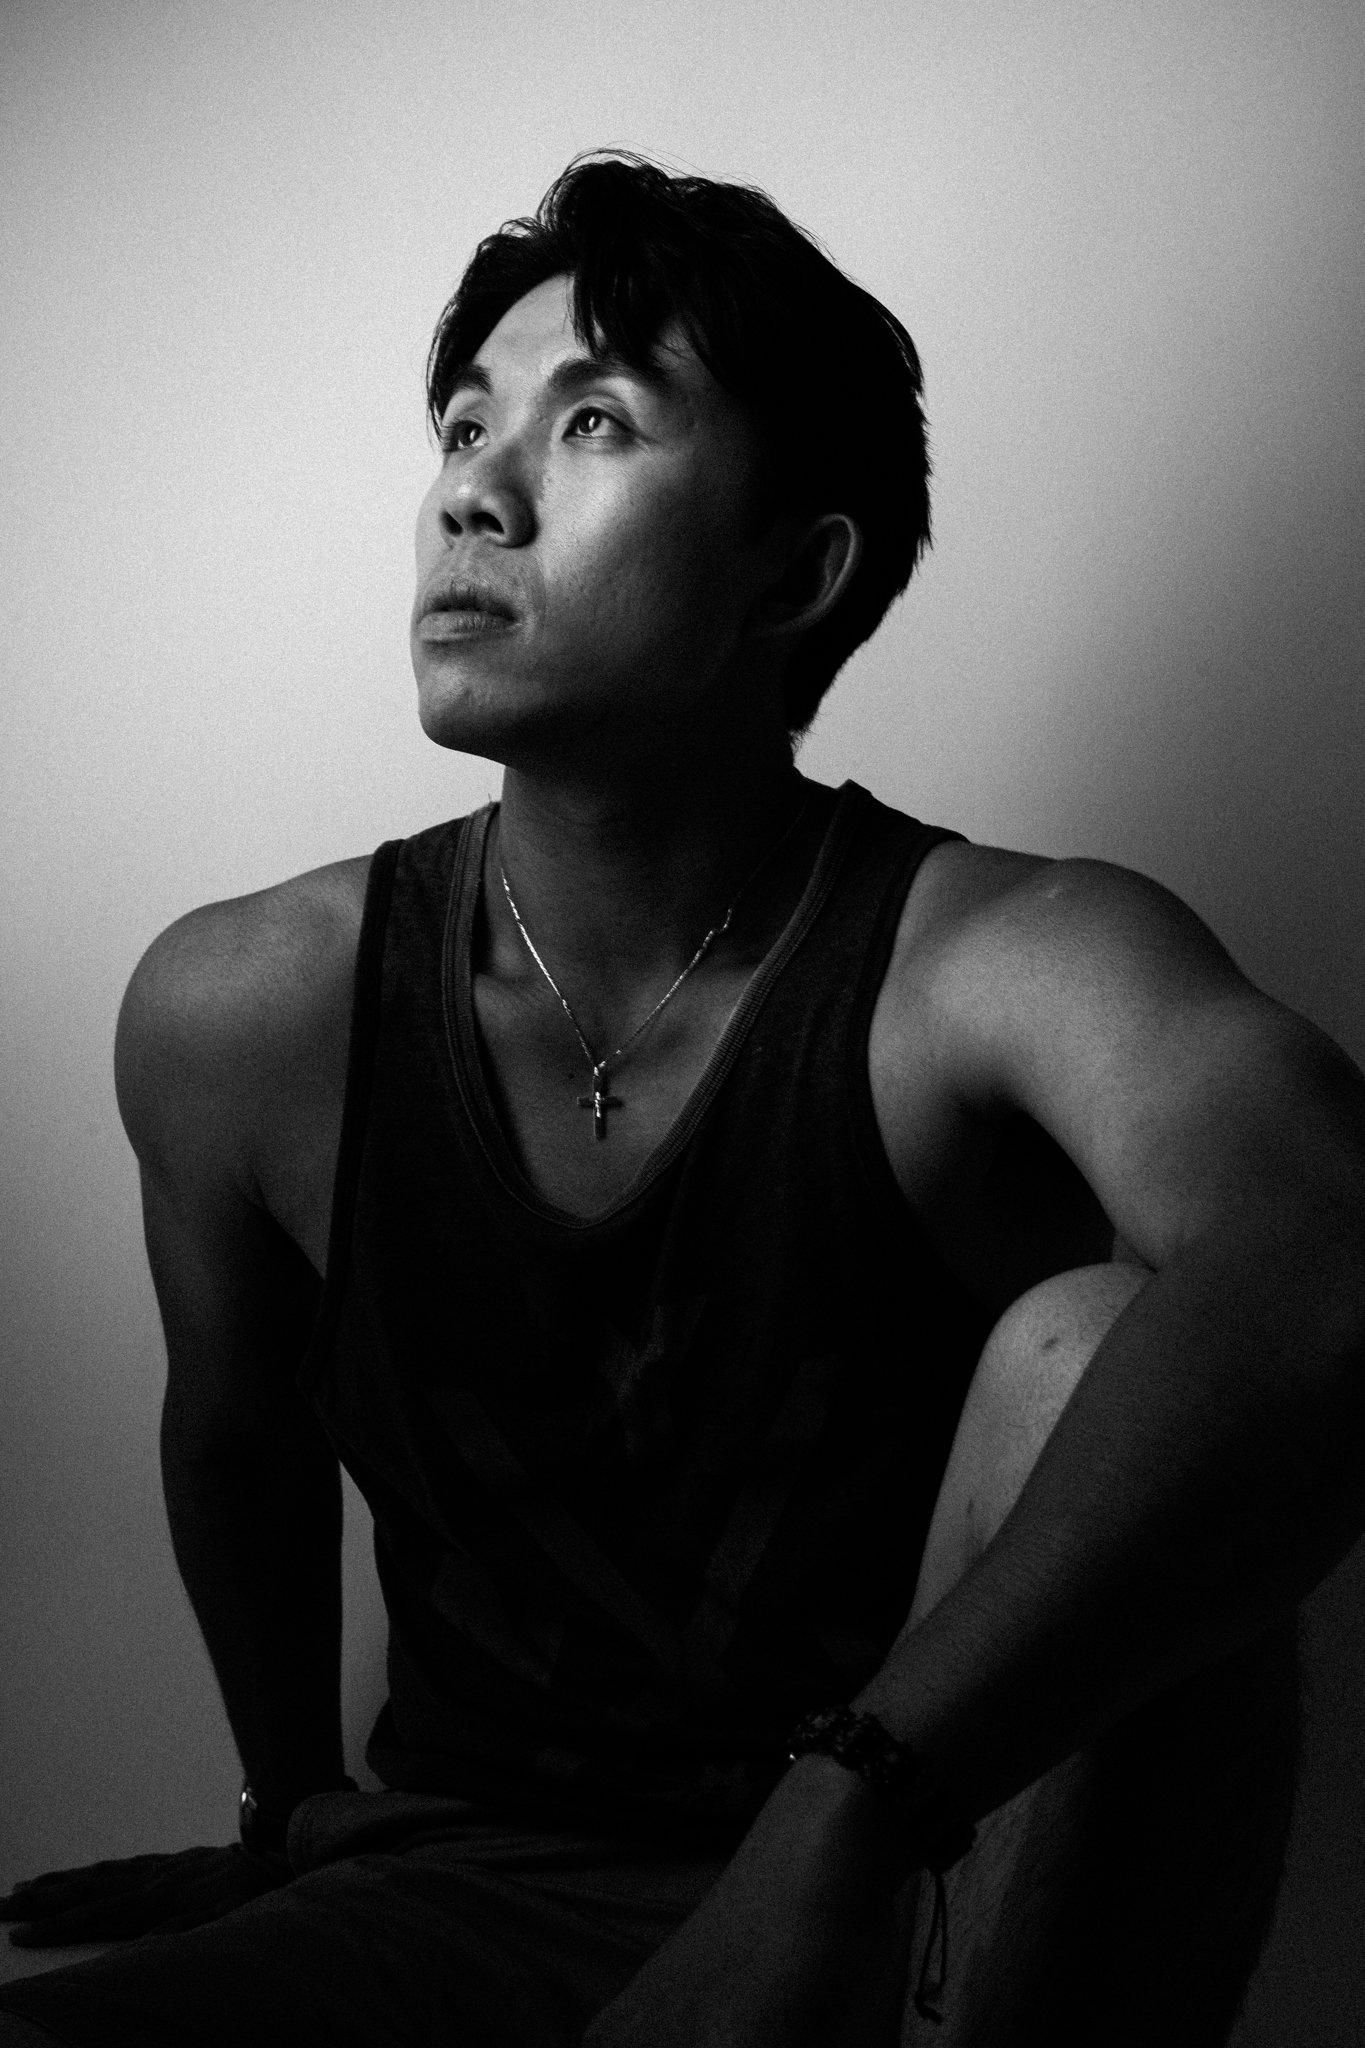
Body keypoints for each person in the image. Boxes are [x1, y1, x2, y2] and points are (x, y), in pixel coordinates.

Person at [1, 150, 1362, 2048]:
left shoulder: (989, 965)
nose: (472, 487)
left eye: (594, 421)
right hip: (462, 1892)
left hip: (924, 1895)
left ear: (789, 573)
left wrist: (846, 1819)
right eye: (467, 422)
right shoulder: (245, 1012)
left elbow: (1330, 1259)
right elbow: (236, 1431)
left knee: (1097, 1332)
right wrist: (286, 1817)